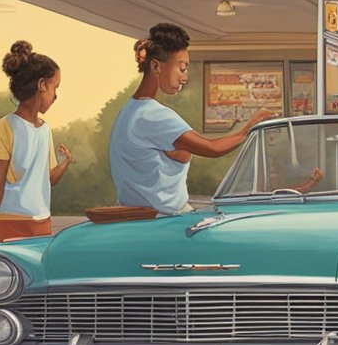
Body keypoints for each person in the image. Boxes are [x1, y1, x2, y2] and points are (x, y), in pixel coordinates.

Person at [109, 23, 271, 215]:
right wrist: (249, 129)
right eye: (181, 68)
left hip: (135, 216)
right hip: (165, 220)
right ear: (155, 66)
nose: (184, 78)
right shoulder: (153, 115)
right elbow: (213, 149)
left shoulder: (128, 111)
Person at [0, 41, 72, 242]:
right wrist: (7, 210)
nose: (56, 96)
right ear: (42, 85)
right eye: (55, 87)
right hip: (12, 220)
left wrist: (66, 161)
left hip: (42, 218)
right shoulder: (5, 125)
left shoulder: (45, 130)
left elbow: (49, 178)